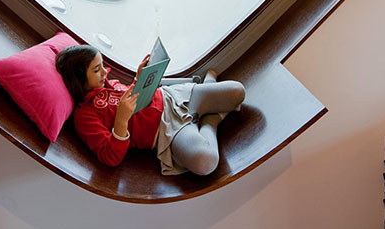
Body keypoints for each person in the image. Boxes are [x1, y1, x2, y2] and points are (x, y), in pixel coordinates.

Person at [55, 45, 245, 176]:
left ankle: (200, 114)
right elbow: (109, 156)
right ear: (79, 80)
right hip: (166, 131)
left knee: (237, 92)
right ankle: (211, 120)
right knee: (205, 162)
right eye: (97, 70)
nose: (105, 72)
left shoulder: (106, 83)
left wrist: (139, 79)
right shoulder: (84, 115)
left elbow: (135, 97)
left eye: (102, 65)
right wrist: (121, 120)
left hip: (172, 98)